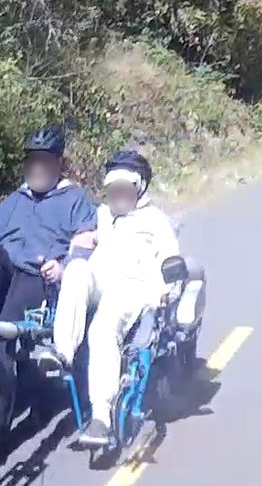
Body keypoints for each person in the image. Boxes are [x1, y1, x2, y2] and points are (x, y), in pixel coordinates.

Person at [0, 124, 97, 423]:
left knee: (2, 332)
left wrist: (63, 266)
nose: (37, 167)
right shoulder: (14, 200)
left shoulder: (75, 199)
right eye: (32, 161)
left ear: (58, 162)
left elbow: (86, 243)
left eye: (44, 161)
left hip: (37, 277)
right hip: (4, 272)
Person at [38, 150, 180, 447]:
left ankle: (101, 417)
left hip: (132, 288)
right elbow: (77, 239)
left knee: (101, 330)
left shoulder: (155, 220)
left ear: (138, 187)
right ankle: (62, 353)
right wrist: (75, 246)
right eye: (113, 188)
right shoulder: (101, 215)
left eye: (124, 188)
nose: (118, 194)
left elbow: (170, 260)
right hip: (99, 278)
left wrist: (168, 291)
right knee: (76, 269)